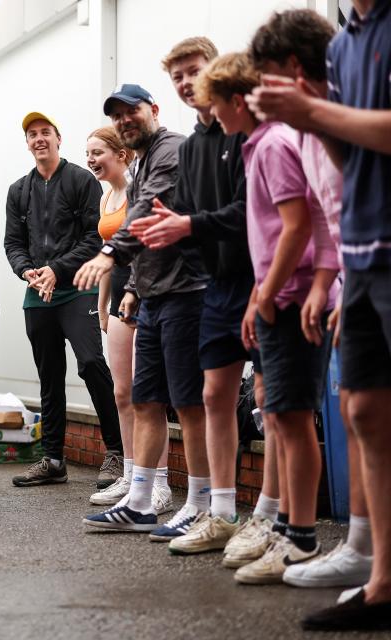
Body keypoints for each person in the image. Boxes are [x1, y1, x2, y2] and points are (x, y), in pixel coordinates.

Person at [247, 0, 391, 629]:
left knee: (317, 411)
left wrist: (312, 112)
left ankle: (337, 545)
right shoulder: (348, 42)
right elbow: (343, 176)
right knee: (361, 408)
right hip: (360, 253)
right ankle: (376, 571)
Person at [197, 51, 339, 585]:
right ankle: (287, 527)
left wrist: (267, 294)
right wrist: (260, 291)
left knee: (293, 418)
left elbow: (299, 226)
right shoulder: (258, 145)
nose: (211, 112)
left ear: (239, 101)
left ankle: (299, 537)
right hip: (276, 296)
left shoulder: (273, 144)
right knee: (280, 416)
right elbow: (271, 236)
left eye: (217, 102)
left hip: (295, 300)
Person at [126, 37, 254, 556]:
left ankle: (272, 521)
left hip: (236, 284)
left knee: (273, 406)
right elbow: (187, 222)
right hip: (210, 287)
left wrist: (119, 256)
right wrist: (136, 282)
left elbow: (248, 213)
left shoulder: (244, 134)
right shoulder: (197, 144)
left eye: (193, 71)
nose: (186, 82)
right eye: (177, 74)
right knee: (202, 399)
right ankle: (212, 510)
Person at [75, 85, 212, 542]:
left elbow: (151, 211)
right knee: (145, 400)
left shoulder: (170, 149)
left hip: (185, 292)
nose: (124, 120)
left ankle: (200, 504)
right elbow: (147, 238)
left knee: (188, 404)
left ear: (153, 110)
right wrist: (132, 288)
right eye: (116, 116)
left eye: (131, 111)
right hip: (151, 295)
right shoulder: (143, 159)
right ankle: (137, 502)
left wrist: (110, 254)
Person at [5, 112, 123, 491]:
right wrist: (28, 272)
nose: (39, 139)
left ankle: (117, 452)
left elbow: (94, 237)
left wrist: (57, 268)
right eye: (32, 134)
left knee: (91, 363)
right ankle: (53, 459)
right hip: (38, 294)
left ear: (58, 139)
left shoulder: (80, 180)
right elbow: (13, 244)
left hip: (79, 288)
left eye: (45, 133)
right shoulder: (18, 190)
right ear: (27, 144)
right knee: (49, 375)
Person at [84, 127, 172, 512]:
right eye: (87, 153)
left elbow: (143, 248)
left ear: (121, 154)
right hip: (117, 299)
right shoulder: (106, 197)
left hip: (144, 295)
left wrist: (134, 294)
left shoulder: (139, 188)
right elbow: (108, 256)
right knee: (122, 392)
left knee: (148, 394)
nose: (90, 159)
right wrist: (102, 305)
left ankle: (159, 483)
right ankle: (132, 475)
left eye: (97, 151)